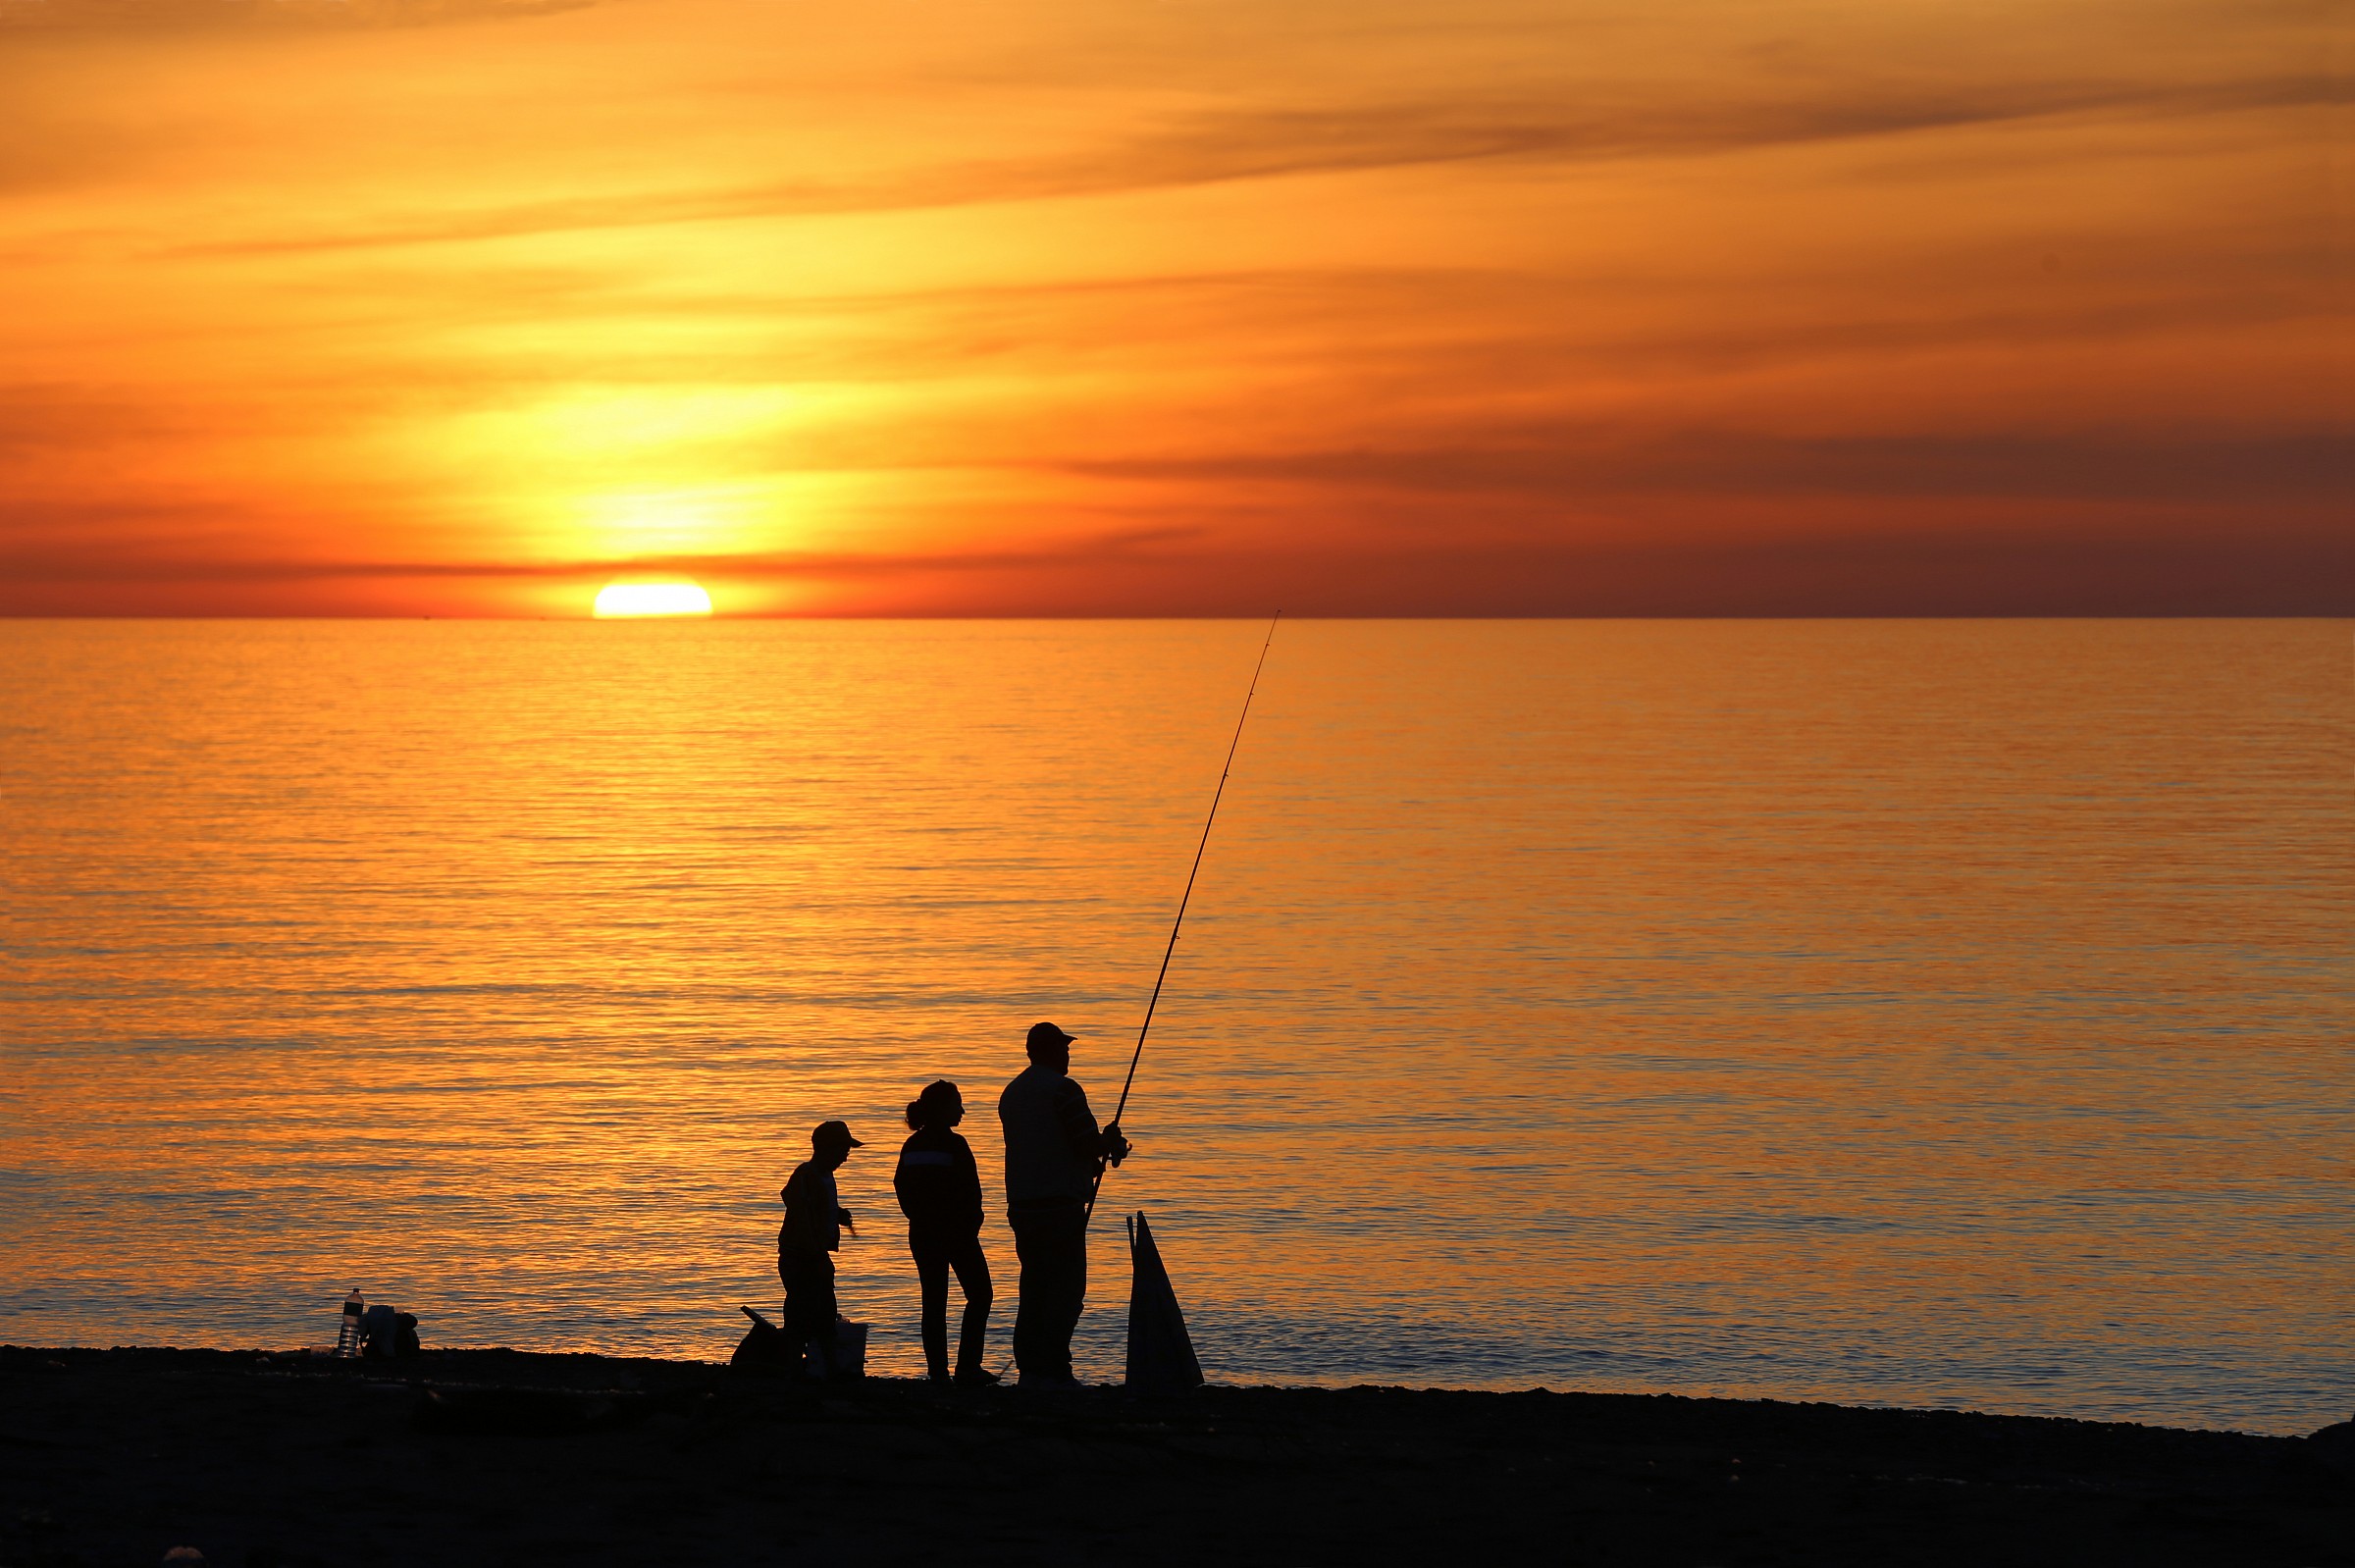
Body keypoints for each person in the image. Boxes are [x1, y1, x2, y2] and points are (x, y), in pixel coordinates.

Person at [996, 1021, 1130, 1388]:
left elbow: (1046, 1144)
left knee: (1034, 1288)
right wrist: (1110, 1142)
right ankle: (1055, 1368)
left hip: (1022, 1204)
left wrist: (1094, 1153)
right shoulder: (1064, 1090)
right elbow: (1086, 1144)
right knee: (1066, 1292)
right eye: (1063, 1048)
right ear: (1050, 1051)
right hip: (1060, 1205)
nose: (1068, 1054)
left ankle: (1030, 1369)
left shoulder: (1012, 1093)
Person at [894, 1079, 998, 1385]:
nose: (962, 1111)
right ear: (943, 1109)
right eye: (957, 1104)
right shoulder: (955, 1144)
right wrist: (972, 1223)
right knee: (980, 1294)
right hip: (957, 1232)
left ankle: (938, 1372)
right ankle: (967, 1367)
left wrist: (916, 1216)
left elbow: (901, 1186)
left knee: (934, 1301)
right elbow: (971, 1190)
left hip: (923, 1232)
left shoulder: (912, 1145)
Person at [779, 1120, 862, 1377]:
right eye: (842, 1151)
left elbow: (814, 1209)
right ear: (826, 1148)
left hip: (813, 1255)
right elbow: (799, 1212)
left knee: (824, 1314)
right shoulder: (806, 1175)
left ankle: (825, 1367)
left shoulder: (825, 1176)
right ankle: (798, 1368)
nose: (845, 1157)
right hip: (801, 1257)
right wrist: (817, 1258)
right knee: (801, 1315)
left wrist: (836, 1214)